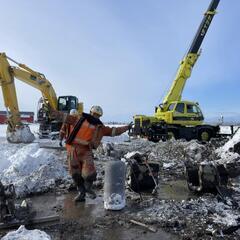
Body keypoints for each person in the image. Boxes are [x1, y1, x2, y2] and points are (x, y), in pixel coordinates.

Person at [52, 105, 132, 202]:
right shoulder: (78, 119)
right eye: (94, 114)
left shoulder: (100, 127)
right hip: (72, 150)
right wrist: (52, 111)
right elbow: (63, 116)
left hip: (86, 151)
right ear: (90, 113)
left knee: (89, 173)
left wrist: (127, 127)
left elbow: (114, 131)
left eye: (98, 115)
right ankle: (81, 193)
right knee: (75, 174)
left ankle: (87, 188)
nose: (95, 116)